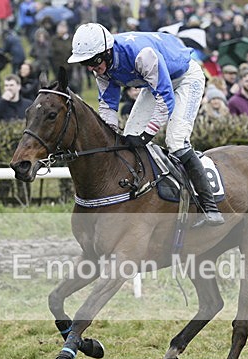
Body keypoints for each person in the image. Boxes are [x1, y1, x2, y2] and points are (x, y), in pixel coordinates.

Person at [67, 22, 224, 226]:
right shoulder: (102, 67)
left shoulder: (142, 55)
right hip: (154, 83)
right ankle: (142, 197)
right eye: (85, 63)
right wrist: (109, 138)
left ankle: (210, 207)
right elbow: (107, 107)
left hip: (186, 78)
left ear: (106, 51)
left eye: (93, 60)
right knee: (128, 137)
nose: (91, 67)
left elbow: (166, 99)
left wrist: (147, 135)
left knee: (176, 140)